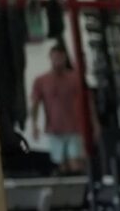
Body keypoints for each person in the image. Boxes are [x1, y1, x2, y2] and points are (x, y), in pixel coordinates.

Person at [28, 41, 85, 172]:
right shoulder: (41, 80)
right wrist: (34, 125)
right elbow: (35, 104)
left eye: (60, 57)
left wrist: (94, 124)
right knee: (61, 165)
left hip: (74, 128)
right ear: (50, 58)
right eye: (55, 57)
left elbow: (87, 102)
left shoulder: (74, 78)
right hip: (54, 130)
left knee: (76, 163)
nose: (58, 61)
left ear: (65, 58)